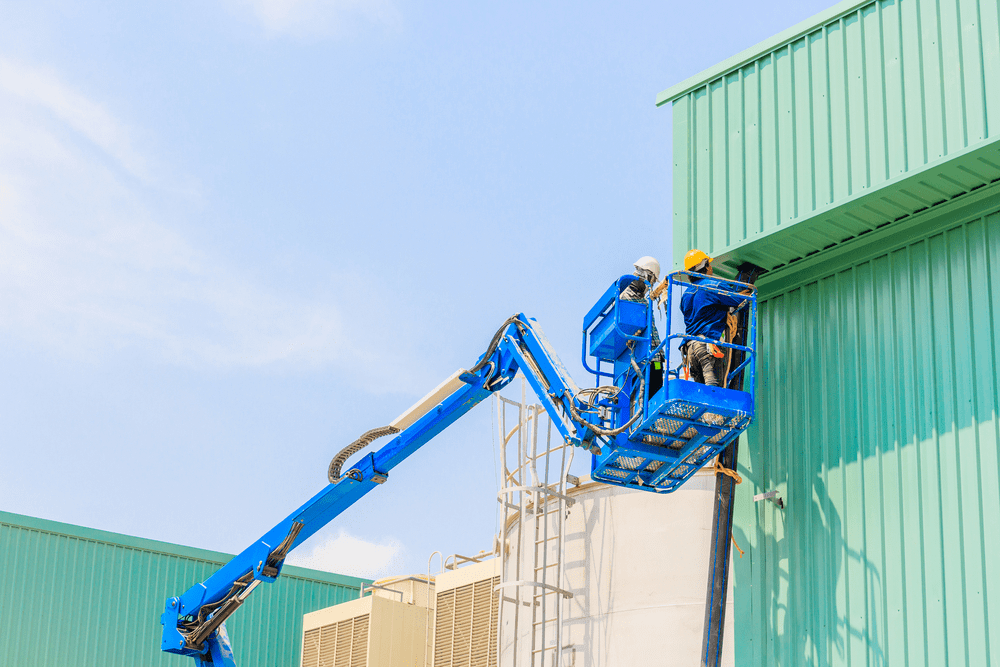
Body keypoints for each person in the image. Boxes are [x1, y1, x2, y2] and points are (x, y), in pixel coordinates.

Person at [680, 249, 747, 388]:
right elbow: (737, 300)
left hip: (691, 348)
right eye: (709, 264)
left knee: (701, 392)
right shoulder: (713, 285)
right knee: (714, 390)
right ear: (705, 266)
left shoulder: (685, 295)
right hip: (708, 345)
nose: (711, 268)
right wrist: (745, 294)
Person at [619, 256, 664, 397]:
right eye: (652, 281)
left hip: (653, 357)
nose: (651, 285)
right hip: (645, 356)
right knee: (650, 394)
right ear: (646, 276)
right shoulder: (626, 297)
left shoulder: (641, 299)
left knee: (655, 388)